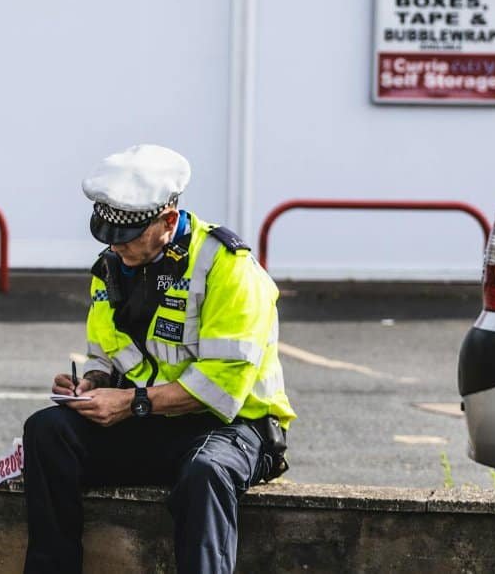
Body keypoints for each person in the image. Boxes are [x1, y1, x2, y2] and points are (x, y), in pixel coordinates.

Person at [22, 144, 297, 574]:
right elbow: (106, 352)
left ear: (168, 221)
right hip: (153, 419)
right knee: (46, 431)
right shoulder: (112, 266)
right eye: (108, 238)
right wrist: (93, 383)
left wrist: (132, 403)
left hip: (237, 428)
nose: (116, 249)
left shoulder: (230, 268)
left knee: (204, 472)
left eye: (127, 238)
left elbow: (222, 384)